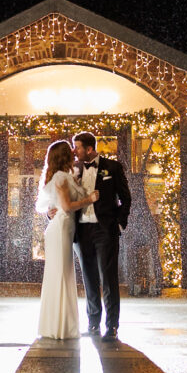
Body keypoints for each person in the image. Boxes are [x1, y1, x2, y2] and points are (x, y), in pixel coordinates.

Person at [50, 131, 131, 341]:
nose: (74, 152)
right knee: (89, 279)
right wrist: (53, 212)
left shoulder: (112, 167)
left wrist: (120, 224)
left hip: (105, 230)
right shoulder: (72, 170)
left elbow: (126, 198)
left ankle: (112, 326)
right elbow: (59, 196)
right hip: (81, 231)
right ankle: (93, 323)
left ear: (89, 149)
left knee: (109, 278)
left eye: (77, 148)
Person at [35, 139, 100, 340]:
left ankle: (56, 325)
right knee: (62, 274)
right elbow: (66, 206)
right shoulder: (62, 177)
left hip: (64, 227)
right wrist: (88, 200)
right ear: (65, 156)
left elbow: (52, 204)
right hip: (62, 228)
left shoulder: (62, 176)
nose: (74, 151)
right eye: (69, 150)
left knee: (60, 274)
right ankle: (60, 327)